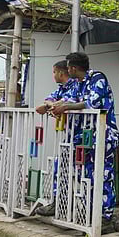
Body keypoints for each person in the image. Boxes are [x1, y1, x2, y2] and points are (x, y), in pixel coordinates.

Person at [49, 52, 119, 234]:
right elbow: (72, 99)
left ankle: (107, 217)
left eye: (68, 67)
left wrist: (66, 107)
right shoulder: (79, 83)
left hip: (103, 135)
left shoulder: (98, 78)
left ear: (73, 68)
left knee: (103, 176)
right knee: (87, 175)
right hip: (86, 137)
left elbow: (93, 103)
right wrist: (57, 105)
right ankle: (91, 214)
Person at [34, 60, 77, 217]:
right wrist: (49, 105)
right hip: (69, 134)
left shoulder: (75, 86)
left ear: (61, 72)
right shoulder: (62, 88)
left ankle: (77, 206)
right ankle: (60, 202)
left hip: (81, 134)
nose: (53, 75)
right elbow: (47, 102)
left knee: (81, 172)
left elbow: (63, 103)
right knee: (61, 168)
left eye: (54, 72)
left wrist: (50, 106)